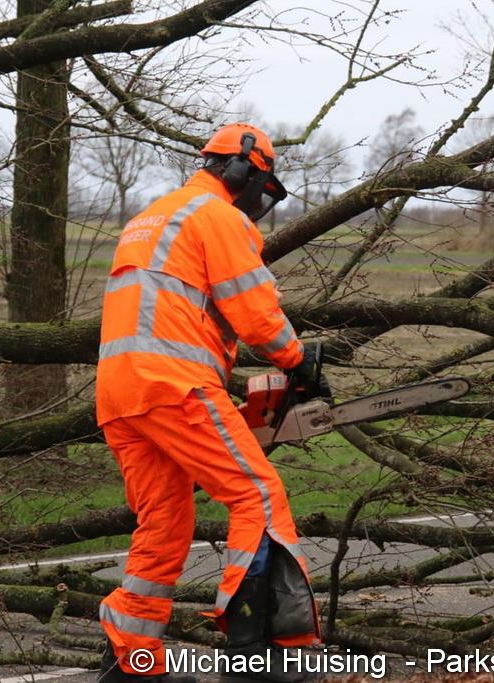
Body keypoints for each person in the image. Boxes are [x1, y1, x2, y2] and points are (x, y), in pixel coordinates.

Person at [95, 123, 322, 683]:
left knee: (165, 522)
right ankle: (260, 655)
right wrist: (297, 360)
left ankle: (132, 662)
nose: (258, 203)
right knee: (257, 496)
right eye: (261, 188)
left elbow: (180, 311)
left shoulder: (152, 217)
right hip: (173, 383)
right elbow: (254, 310)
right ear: (242, 171)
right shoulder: (216, 216)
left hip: (121, 392)